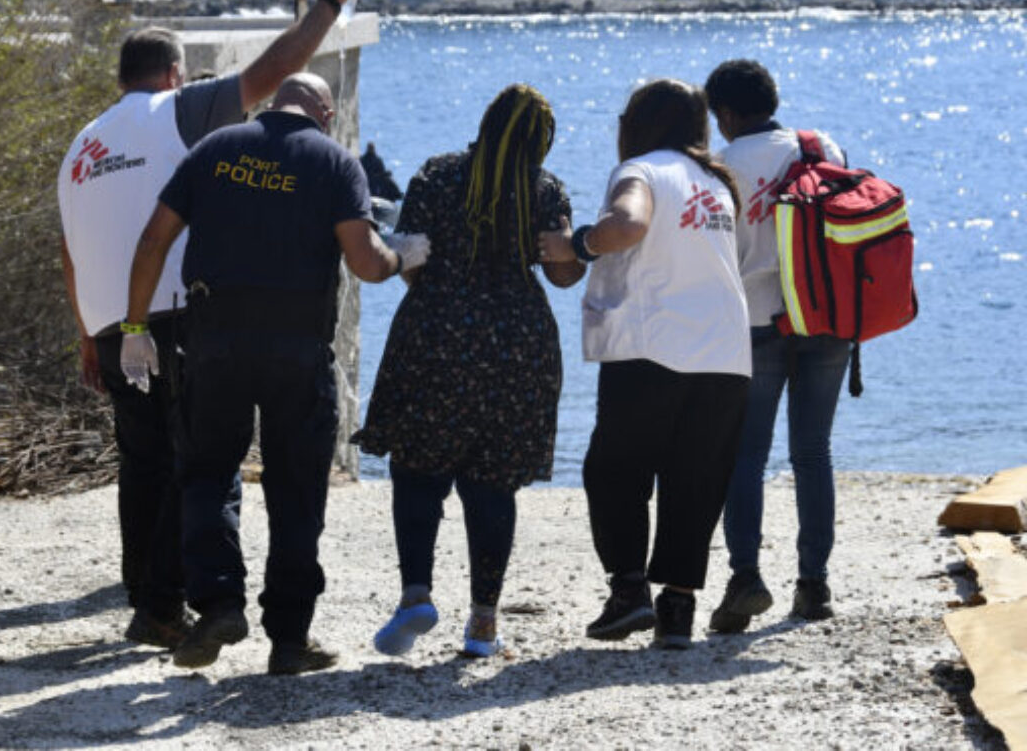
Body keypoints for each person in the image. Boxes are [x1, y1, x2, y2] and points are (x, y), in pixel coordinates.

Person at [57, 0, 357, 650]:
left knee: (144, 464)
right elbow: (274, 72)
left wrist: (87, 333)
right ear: (172, 75)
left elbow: (69, 247)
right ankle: (190, 602)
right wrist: (329, 3)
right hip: (168, 316)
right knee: (197, 463)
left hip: (110, 322)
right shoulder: (181, 111)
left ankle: (153, 605)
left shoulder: (84, 142)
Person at [121, 73, 430, 676]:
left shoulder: (215, 149)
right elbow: (366, 264)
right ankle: (290, 640)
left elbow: (154, 239)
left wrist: (135, 330)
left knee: (206, 474)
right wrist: (402, 256)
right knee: (296, 491)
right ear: (326, 111)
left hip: (214, 341)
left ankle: (216, 605)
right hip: (297, 347)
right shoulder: (336, 163)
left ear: (272, 104)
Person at [354, 84, 584, 658]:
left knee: (417, 472)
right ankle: (483, 624)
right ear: (542, 140)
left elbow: (412, 259)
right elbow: (562, 275)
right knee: (492, 484)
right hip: (519, 345)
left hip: (436, 335)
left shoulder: (437, 174)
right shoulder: (545, 188)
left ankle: (416, 596)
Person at [539, 79, 751, 649]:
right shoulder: (716, 183)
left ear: (637, 124)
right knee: (696, 481)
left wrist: (576, 244)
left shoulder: (643, 171)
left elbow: (628, 226)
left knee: (614, 472)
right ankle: (678, 608)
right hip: (726, 354)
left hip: (652, 345)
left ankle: (629, 591)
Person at [703, 59, 850, 632]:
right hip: (826, 317)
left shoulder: (721, 166)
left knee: (746, 456)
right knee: (813, 451)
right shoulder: (820, 147)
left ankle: (745, 579)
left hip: (756, 321)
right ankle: (814, 586)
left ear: (727, 113)